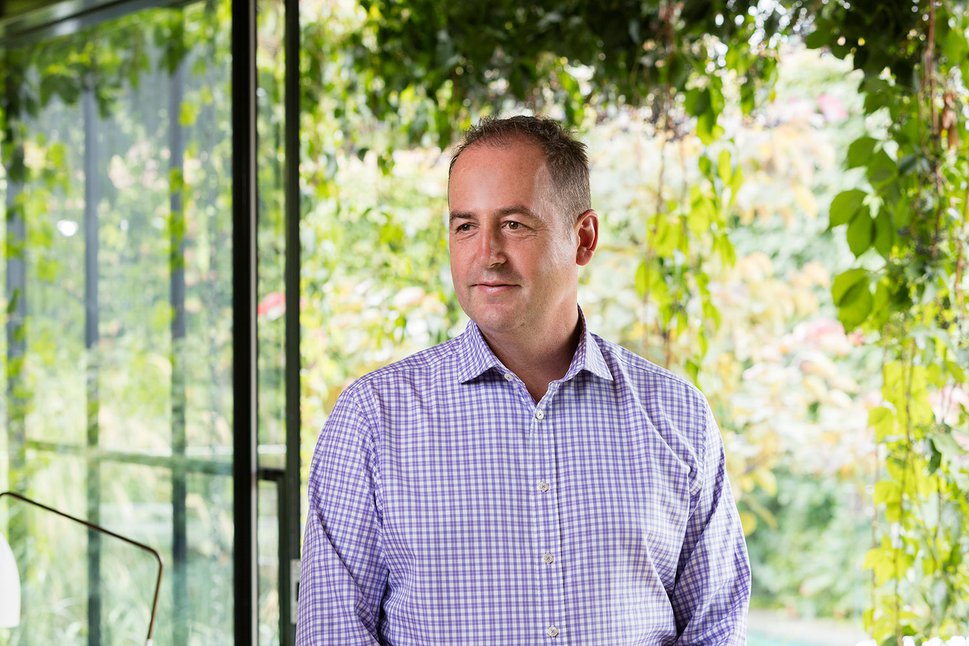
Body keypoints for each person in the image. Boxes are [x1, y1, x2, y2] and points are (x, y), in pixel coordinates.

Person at [297, 116, 750, 645]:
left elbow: (716, 627)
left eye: (514, 224)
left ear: (584, 238)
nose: (487, 253)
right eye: (465, 226)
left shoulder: (678, 415)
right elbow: (332, 632)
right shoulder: (372, 419)